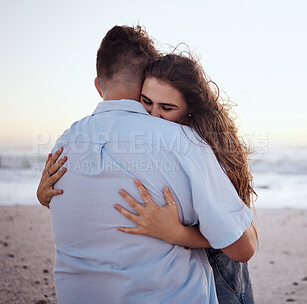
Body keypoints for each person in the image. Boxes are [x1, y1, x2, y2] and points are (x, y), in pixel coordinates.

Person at [38, 25, 254, 304]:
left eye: (166, 108)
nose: (155, 114)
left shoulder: (62, 144)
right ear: (143, 84)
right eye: (149, 103)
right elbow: (241, 248)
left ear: (97, 84)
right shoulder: (184, 141)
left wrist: (43, 198)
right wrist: (178, 233)